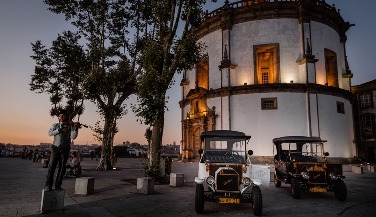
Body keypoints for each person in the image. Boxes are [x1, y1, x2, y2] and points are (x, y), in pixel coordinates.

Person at [46, 111, 79, 191]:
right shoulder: (55, 125)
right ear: (59, 117)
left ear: (67, 117)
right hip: (55, 147)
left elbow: (73, 137)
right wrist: (59, 130)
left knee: (62, 167)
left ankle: (58, 185)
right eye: (61, 116)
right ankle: (49, 185)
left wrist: (75, 128)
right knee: (52, 166)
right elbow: (49, 133)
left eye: (65, 116)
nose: (63, 117)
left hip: (65, 148)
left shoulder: (70, 126)